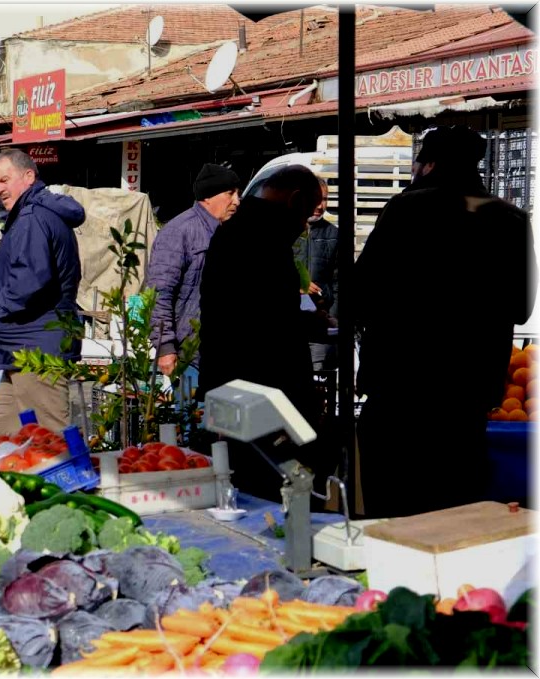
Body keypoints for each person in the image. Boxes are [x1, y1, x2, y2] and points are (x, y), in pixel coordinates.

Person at [353, 126, 535, 518]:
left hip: (399, 396)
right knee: (453, 519)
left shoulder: (404, 209)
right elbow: (522, 307)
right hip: (465, 405)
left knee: (395, 519)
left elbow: (361, 294)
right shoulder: (513, 220)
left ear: (429, 163)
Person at [196, 164, 329, 503]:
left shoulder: (238, 230)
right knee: (273, 488)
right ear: (295, 200)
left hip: (232, 384)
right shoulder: (263, 237)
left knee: (244, 485)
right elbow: (265, 321)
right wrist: (309, 323)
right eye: (305, 214)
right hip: (263, 394)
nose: (303, 227)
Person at [0, 148, 84, 441]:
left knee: (51, 441)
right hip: (23, 345)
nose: (0, 189)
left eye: (5, 180)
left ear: (29, 176)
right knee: (2, 438)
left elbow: (31, 278)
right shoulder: (33, 215)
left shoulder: (32, 217)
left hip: (36, 344)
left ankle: (71, 485)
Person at [147, 163, 241, 391]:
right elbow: (159, 293)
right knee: (192, 422)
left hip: (226, 353)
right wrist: (165, 347)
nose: (237, 201)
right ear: (208, 197)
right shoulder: (179, 231)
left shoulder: (232, 231)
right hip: (190, 354)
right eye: (230, 193)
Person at [295, 176, 339, 371]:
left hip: (320, 327)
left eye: (325, 199)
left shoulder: (334, 235)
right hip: (290, 325)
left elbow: (340, 283)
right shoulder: (286, 232)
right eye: (317, 198)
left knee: (317, 382)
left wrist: (334, 322)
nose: (321, 205)